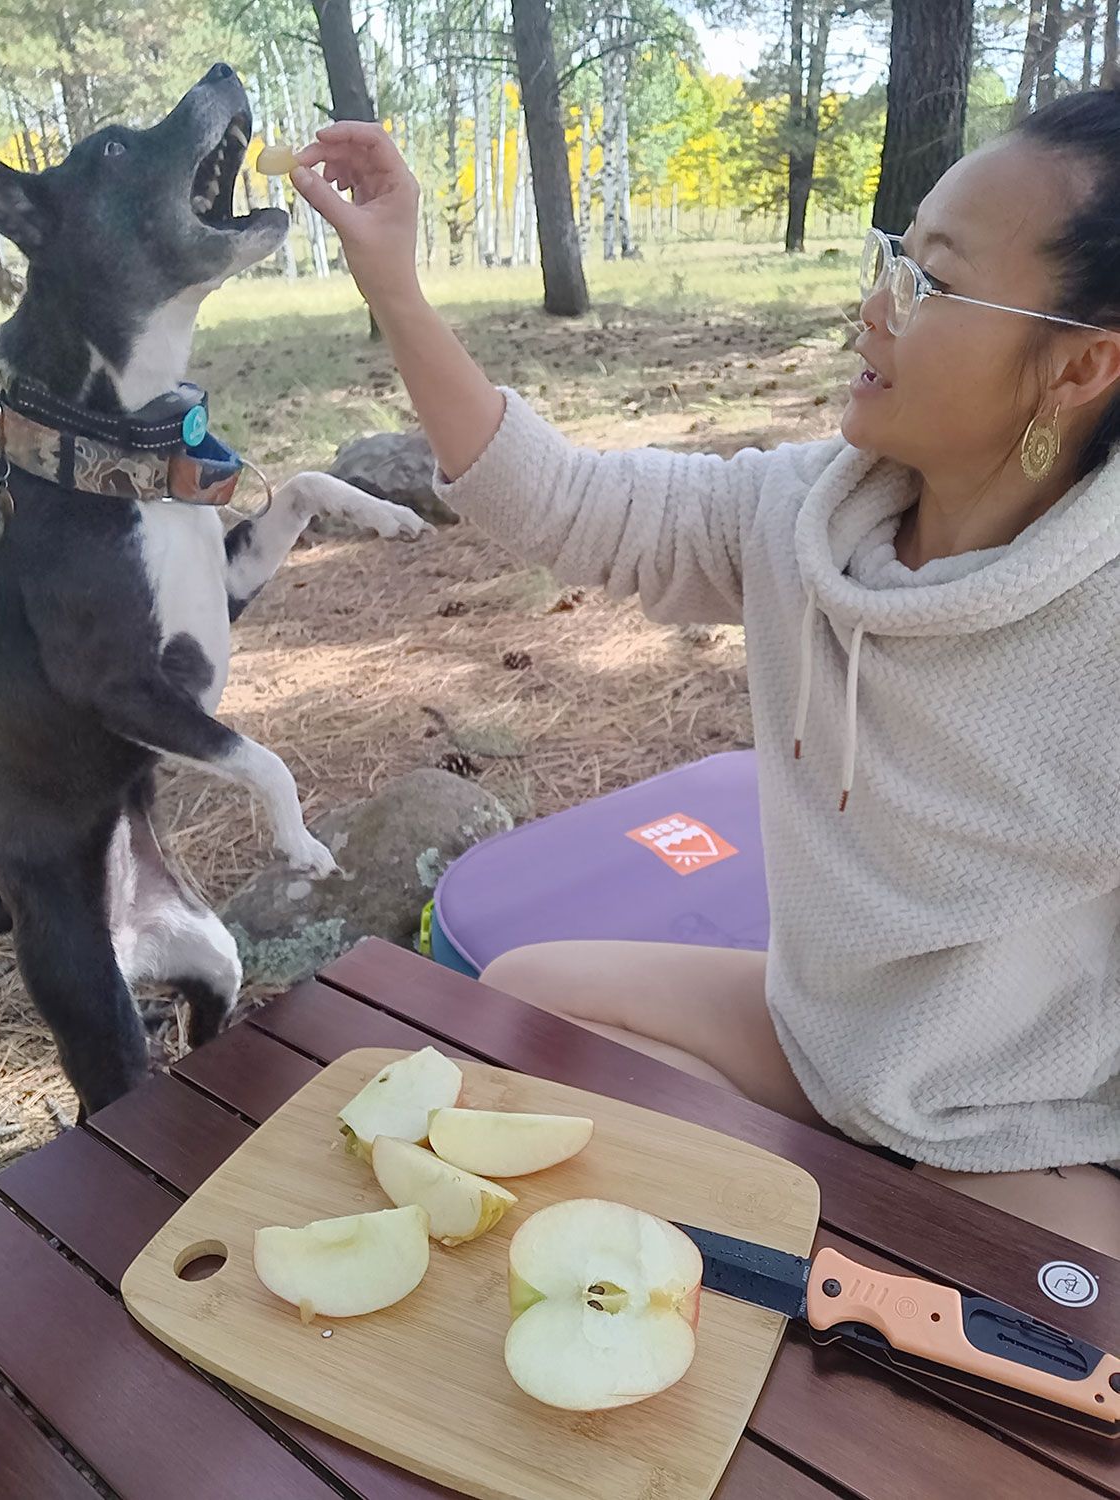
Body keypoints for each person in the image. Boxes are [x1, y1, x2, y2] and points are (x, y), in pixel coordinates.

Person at [291, 83, 1120, 1256]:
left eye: (930, 281)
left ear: (1080, 370)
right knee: (520, 997)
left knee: (1006, 1354)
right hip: (825, 1038)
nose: (871, 310)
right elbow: (569, 505)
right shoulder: (800, 516)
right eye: (893, 255)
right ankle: (800, 1215)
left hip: (1022, 1131)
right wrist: (395, 286)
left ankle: (802, 1226)